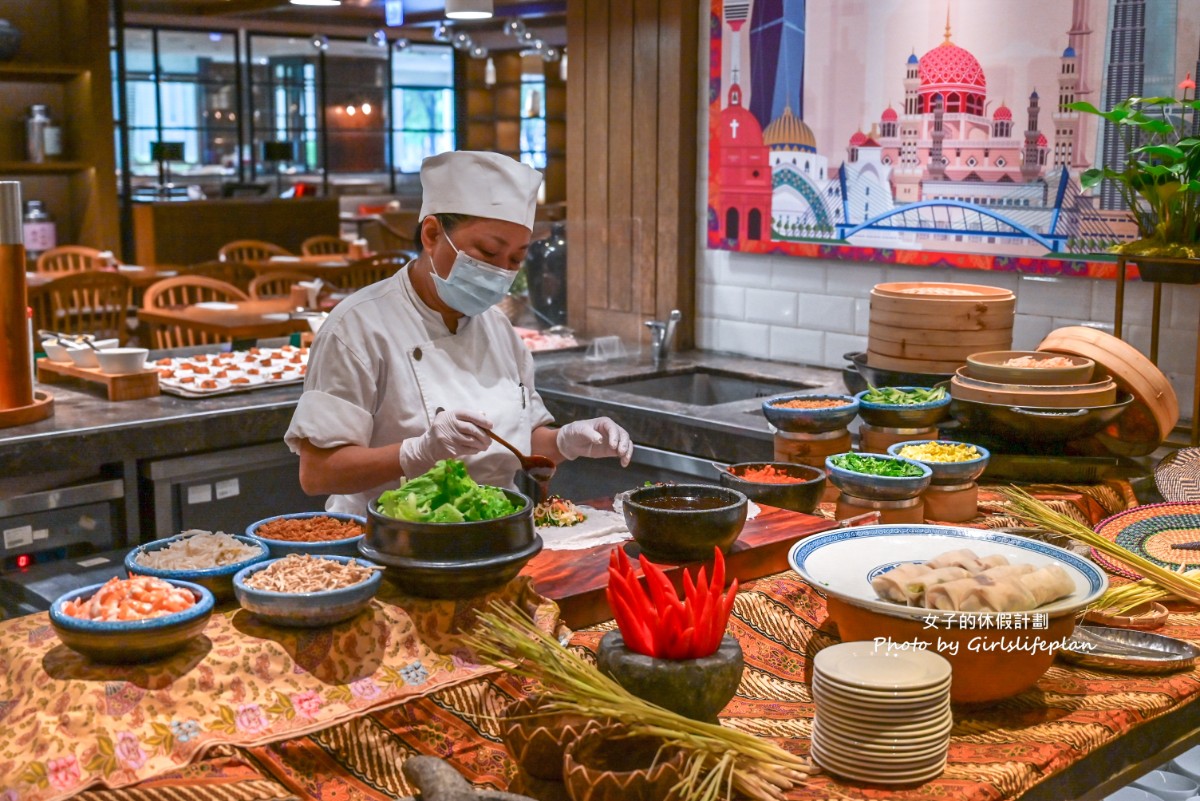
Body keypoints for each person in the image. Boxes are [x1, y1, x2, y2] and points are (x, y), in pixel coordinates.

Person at [286, 151, 633, 514]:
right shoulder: (357, 327)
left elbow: (520, 441)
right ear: (432, 234)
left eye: (515, 259)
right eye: (487, 252)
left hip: (494, 533)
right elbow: (318, 473)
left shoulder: (499, 328)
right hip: (387, 542)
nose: (501, 272)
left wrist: (565, 441)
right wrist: (418, 452)